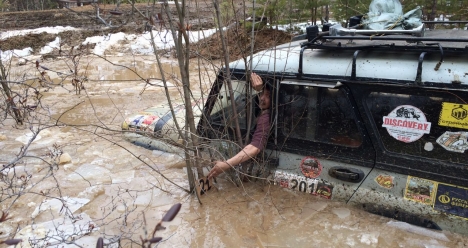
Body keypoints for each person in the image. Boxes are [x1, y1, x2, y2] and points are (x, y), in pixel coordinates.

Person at [207, 72, 271, 180]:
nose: (262, 98)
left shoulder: (266, 118)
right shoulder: (269, 108)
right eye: (262, 94)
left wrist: (225, 165)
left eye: (268, 96)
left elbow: (254, 148)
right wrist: (259, 90)